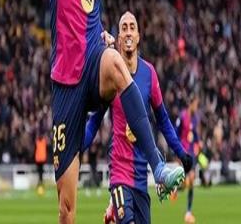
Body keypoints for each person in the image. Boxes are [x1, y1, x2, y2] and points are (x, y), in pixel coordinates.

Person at [21, 0, 184, 222]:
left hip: (95, 55)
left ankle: (157, 166)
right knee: (66, 210)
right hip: (66, 77)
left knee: (117, 63)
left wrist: (105, 31)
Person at [82, 11, 194, 223]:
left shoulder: (149, 73)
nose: (128, 32)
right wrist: (76, 148)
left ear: (138, 36)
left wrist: (181, 153)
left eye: (132, 28)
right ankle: (114, 204)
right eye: (124, 28)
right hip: (119, 173)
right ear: (119, 37)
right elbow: (94, 122)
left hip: (141, 177)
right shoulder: (110, 73)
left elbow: (163, 120)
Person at [176, 94, 201, 223]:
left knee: (190, 180)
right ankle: (175, 189)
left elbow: (195, 134)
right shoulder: (182, 116)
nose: (196, 107)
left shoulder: (195, 118)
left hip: (192, 153)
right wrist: (177, 152)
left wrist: (198, 142)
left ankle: (188, 212)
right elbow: (176, 133)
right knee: (187, 180)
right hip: (184, 152)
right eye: (195, 104)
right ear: (190, 104)